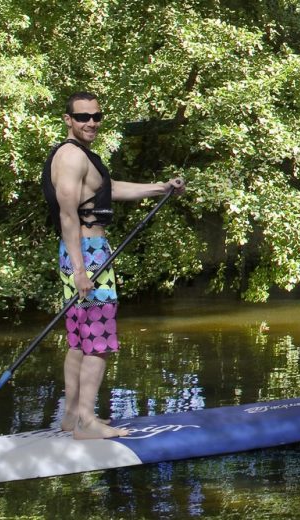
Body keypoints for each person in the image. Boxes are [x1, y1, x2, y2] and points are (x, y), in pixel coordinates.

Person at [41, 91, 185, 440]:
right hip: (87, 253)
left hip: (82, 252)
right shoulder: (72, 158)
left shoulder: (81, 156)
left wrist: (160, 188)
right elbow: (68, 215)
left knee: (78, 340)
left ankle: (72, 415)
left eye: (96, 116)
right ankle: (87, 423)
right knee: (100, 342)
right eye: (82, 117)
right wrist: (79, 270)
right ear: (68, 120)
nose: (90, 122)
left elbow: (109, 189)